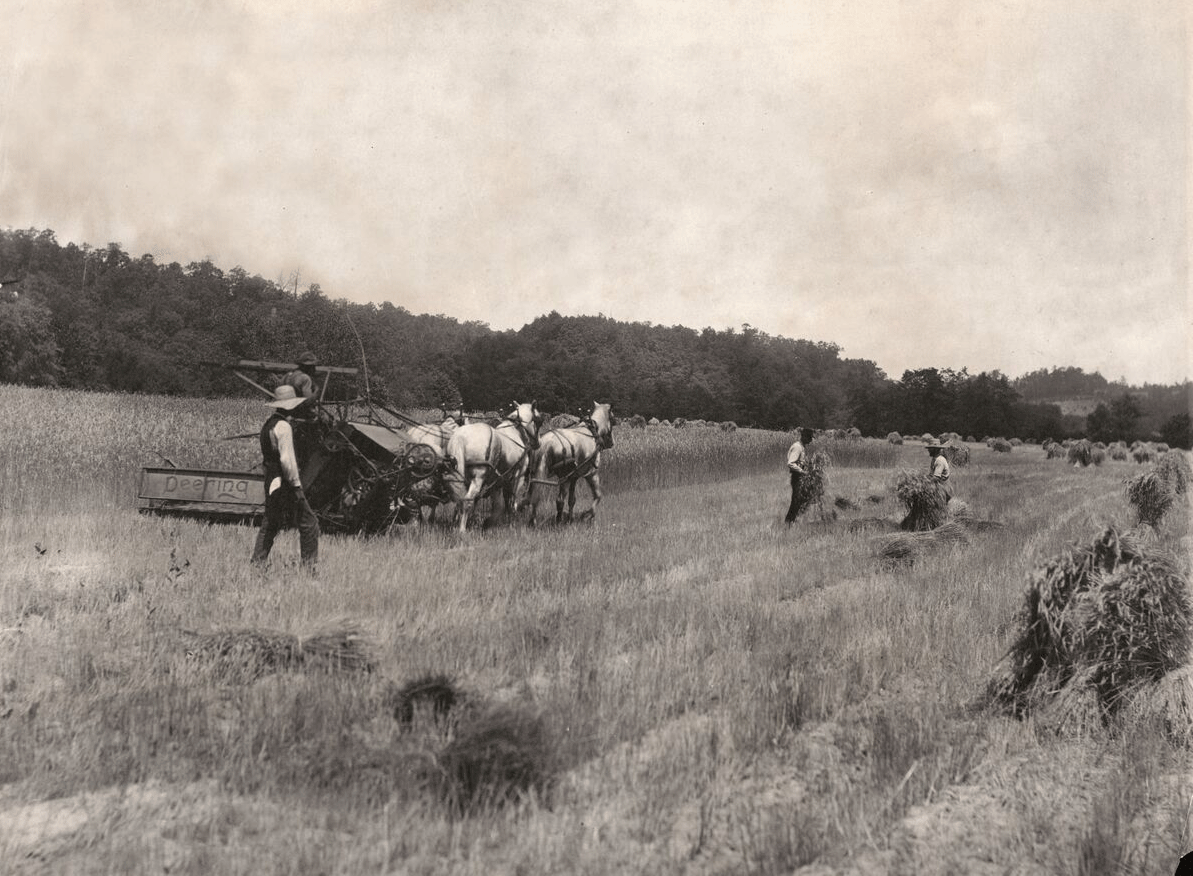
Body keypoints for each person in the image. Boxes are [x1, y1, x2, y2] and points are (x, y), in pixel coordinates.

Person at [251, 384, 320, 571]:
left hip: (272, 480)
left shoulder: (268, 424)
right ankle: (308, 568)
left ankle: (257, 564)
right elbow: (287, 460)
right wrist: (297, 486)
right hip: (285, 482)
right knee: (309, 523)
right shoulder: (284, 427)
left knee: (270, 523)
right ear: (292, 406)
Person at [785, 427, 816, 524]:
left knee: (803, 499)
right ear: (804, 436)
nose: (811, 440)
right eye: (809, 438)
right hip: (797, 477)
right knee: (796, 502)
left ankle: (794, 520)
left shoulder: (802, 447)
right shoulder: (797, 447)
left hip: (801, 477)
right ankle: (789, 522)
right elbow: (790, 463)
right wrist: (802, 471)